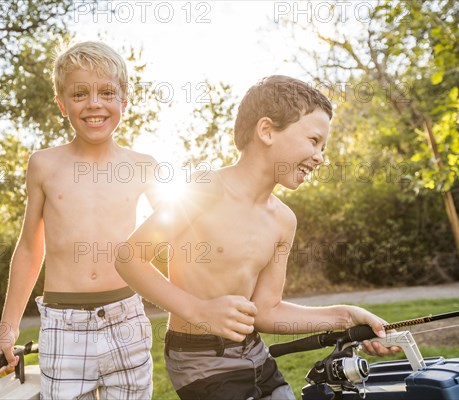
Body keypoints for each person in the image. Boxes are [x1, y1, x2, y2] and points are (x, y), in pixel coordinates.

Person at [115, 75, 401, 400]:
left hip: (254, 353)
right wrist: (199, 311)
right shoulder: (204, 190)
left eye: (323, 147)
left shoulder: (284, 221)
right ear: (266, 131)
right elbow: (129, 257)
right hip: (198, 360)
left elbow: (266, 311)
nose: (320, 156)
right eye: (313, 140)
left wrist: (347, 316)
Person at [0, 40, 166, 399]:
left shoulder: (143, 165)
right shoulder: (43, 164)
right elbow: (29, 249)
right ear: (62, 104)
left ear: (124, 102)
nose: (94, 103)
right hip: (62, 326)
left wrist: (191, 307)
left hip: (127, 318)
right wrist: (8, 329)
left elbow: (176, 238)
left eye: (106, 92)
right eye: (80, 94)